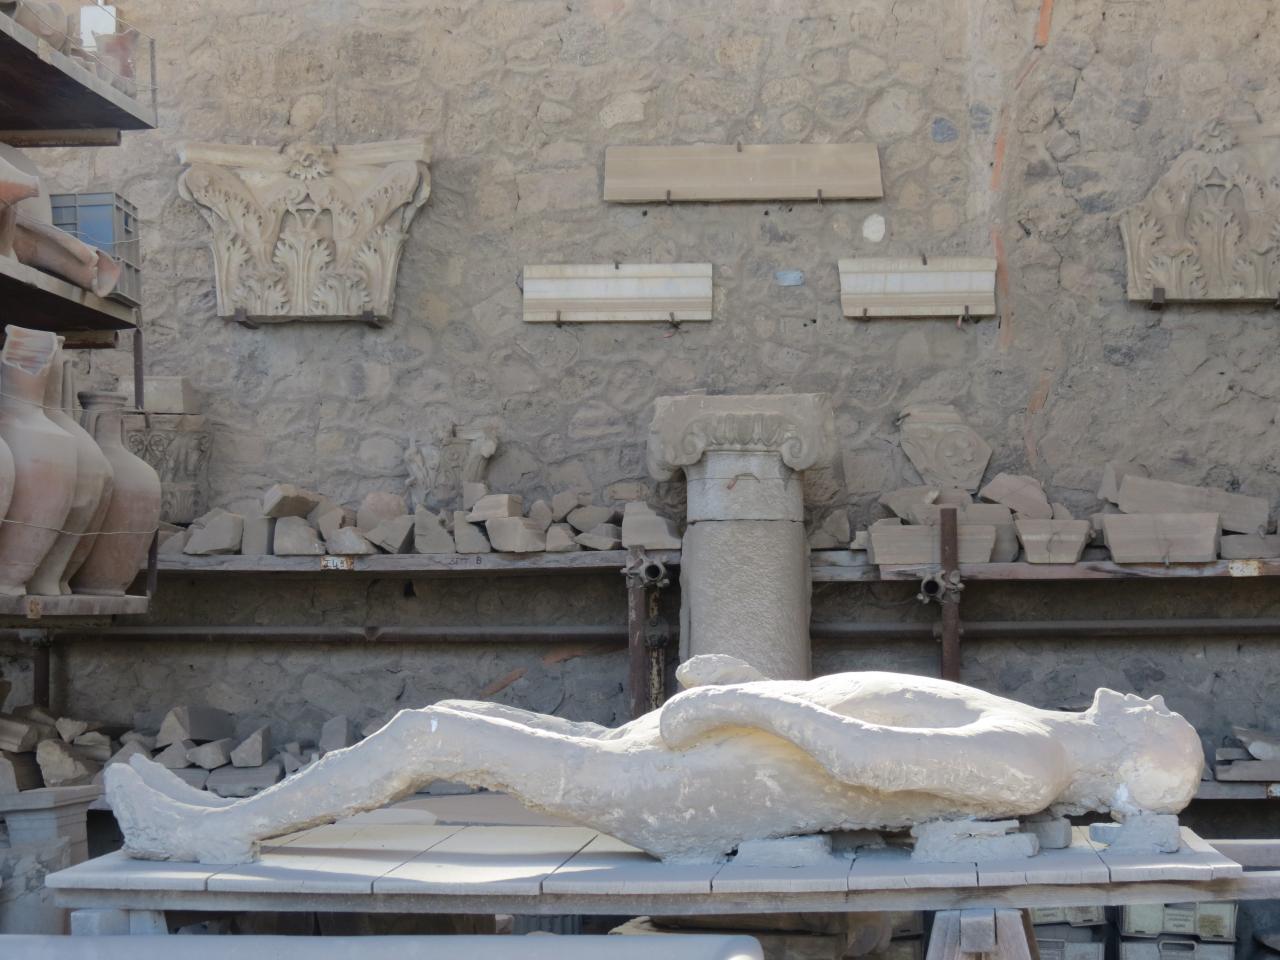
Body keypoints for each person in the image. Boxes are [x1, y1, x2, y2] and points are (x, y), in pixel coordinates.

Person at [107, 655, 1202, 864]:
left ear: (1137, 755)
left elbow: (864, 755)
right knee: (448, 717)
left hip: (682, 794)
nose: (1146, 698)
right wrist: (755, 686)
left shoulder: (1026, 761)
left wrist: (741, 700)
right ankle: (212, 819)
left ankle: (208, 834)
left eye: (1159, 717)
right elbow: (863, 718)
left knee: (433, 737)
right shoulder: (1031, 732)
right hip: (695, 761)